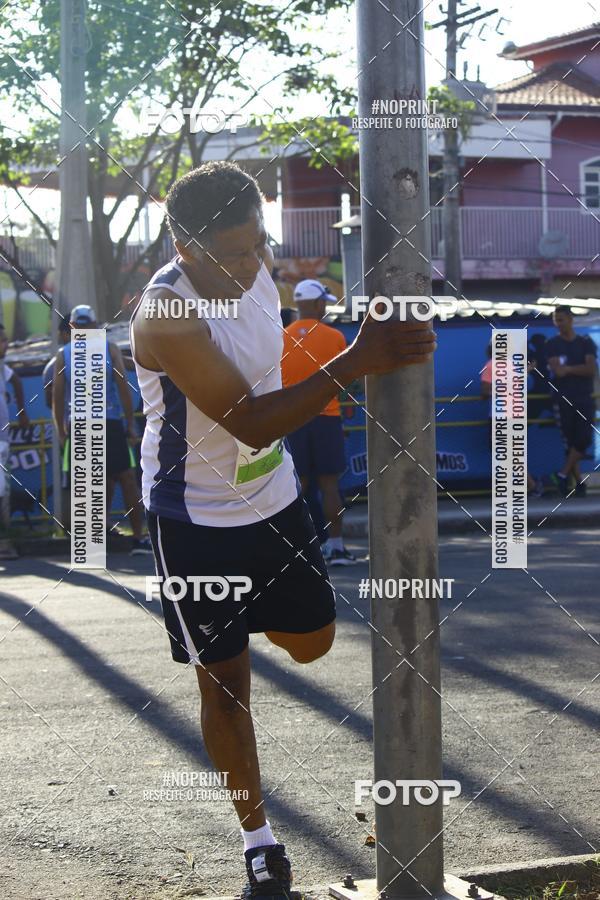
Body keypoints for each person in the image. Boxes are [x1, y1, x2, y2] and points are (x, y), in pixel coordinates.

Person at [129, 160, 435, 898]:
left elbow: (267, 415)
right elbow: (250, 420)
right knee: (226, 684)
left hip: (273, 499)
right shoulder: (166, 316)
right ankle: (259, 841)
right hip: (193, 517)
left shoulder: (260, 270)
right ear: (182, 243)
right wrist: (355, 361)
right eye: (229, 254)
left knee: (313, 643)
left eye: (256, 244)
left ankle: (244, 624)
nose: (248, 264)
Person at [52, 305, 152, 553]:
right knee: (109, 481)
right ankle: (116, 539)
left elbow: (121, 386)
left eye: (87, 326)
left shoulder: (81, 351)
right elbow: (57, 396)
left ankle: (130, 538)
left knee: (116, 480)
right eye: (82, 326)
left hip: (98, 423)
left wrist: (63, 433)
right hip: (96, 424)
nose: (85, 330)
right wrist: (129, 424)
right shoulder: (70, 354)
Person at [281, 279, 355, 565]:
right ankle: (335, 546)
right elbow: (346, 379)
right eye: (323, 301)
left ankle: (297, 549)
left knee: (293, 487)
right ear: (315, 303)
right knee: (329, 486)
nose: (326, 305)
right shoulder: (334, 336)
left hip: (292, 420)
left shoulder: (280, 337)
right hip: (326, 418)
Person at [546, 306, 598, 497]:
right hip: (562, 398)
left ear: (570, 319)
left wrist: (568, 369)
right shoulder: (552, 344)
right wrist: (574, 368)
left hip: (584, 396)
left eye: (561, 319)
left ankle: (561, 474)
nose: (558, 324)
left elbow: (590, 370)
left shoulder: (585, 342)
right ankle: (578, 483)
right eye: (555, 320)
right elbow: (558, 371)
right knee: (570, 443)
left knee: (583, 439)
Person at [480, 342, 543, 497]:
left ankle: (527, 486)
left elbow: (484, 392)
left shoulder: (490, 366)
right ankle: (529, 485)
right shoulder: (513, 366)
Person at [0, 323, 29, 560]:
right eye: (2, 340)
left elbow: (17, 381)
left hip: (2, 441)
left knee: (2, 492)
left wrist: (22, 412)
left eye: (6, 339)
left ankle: (4, 540)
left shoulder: (3, 368)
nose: (6, 344)